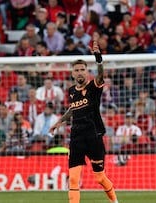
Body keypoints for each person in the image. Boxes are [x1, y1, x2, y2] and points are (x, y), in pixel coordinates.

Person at [49, 41, 119, 203]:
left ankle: (115, 201)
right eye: (77, 70)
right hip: (76, 138)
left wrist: (98, 59)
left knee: (100, 178)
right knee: (73, 180)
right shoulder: (71, 91)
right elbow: (73, 108)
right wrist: (60, 121)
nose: (80, 72)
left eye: (82, 70)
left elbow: (101, 75)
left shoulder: (94, 87)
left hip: (93, 137)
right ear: (72, 73)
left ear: (87, 72)